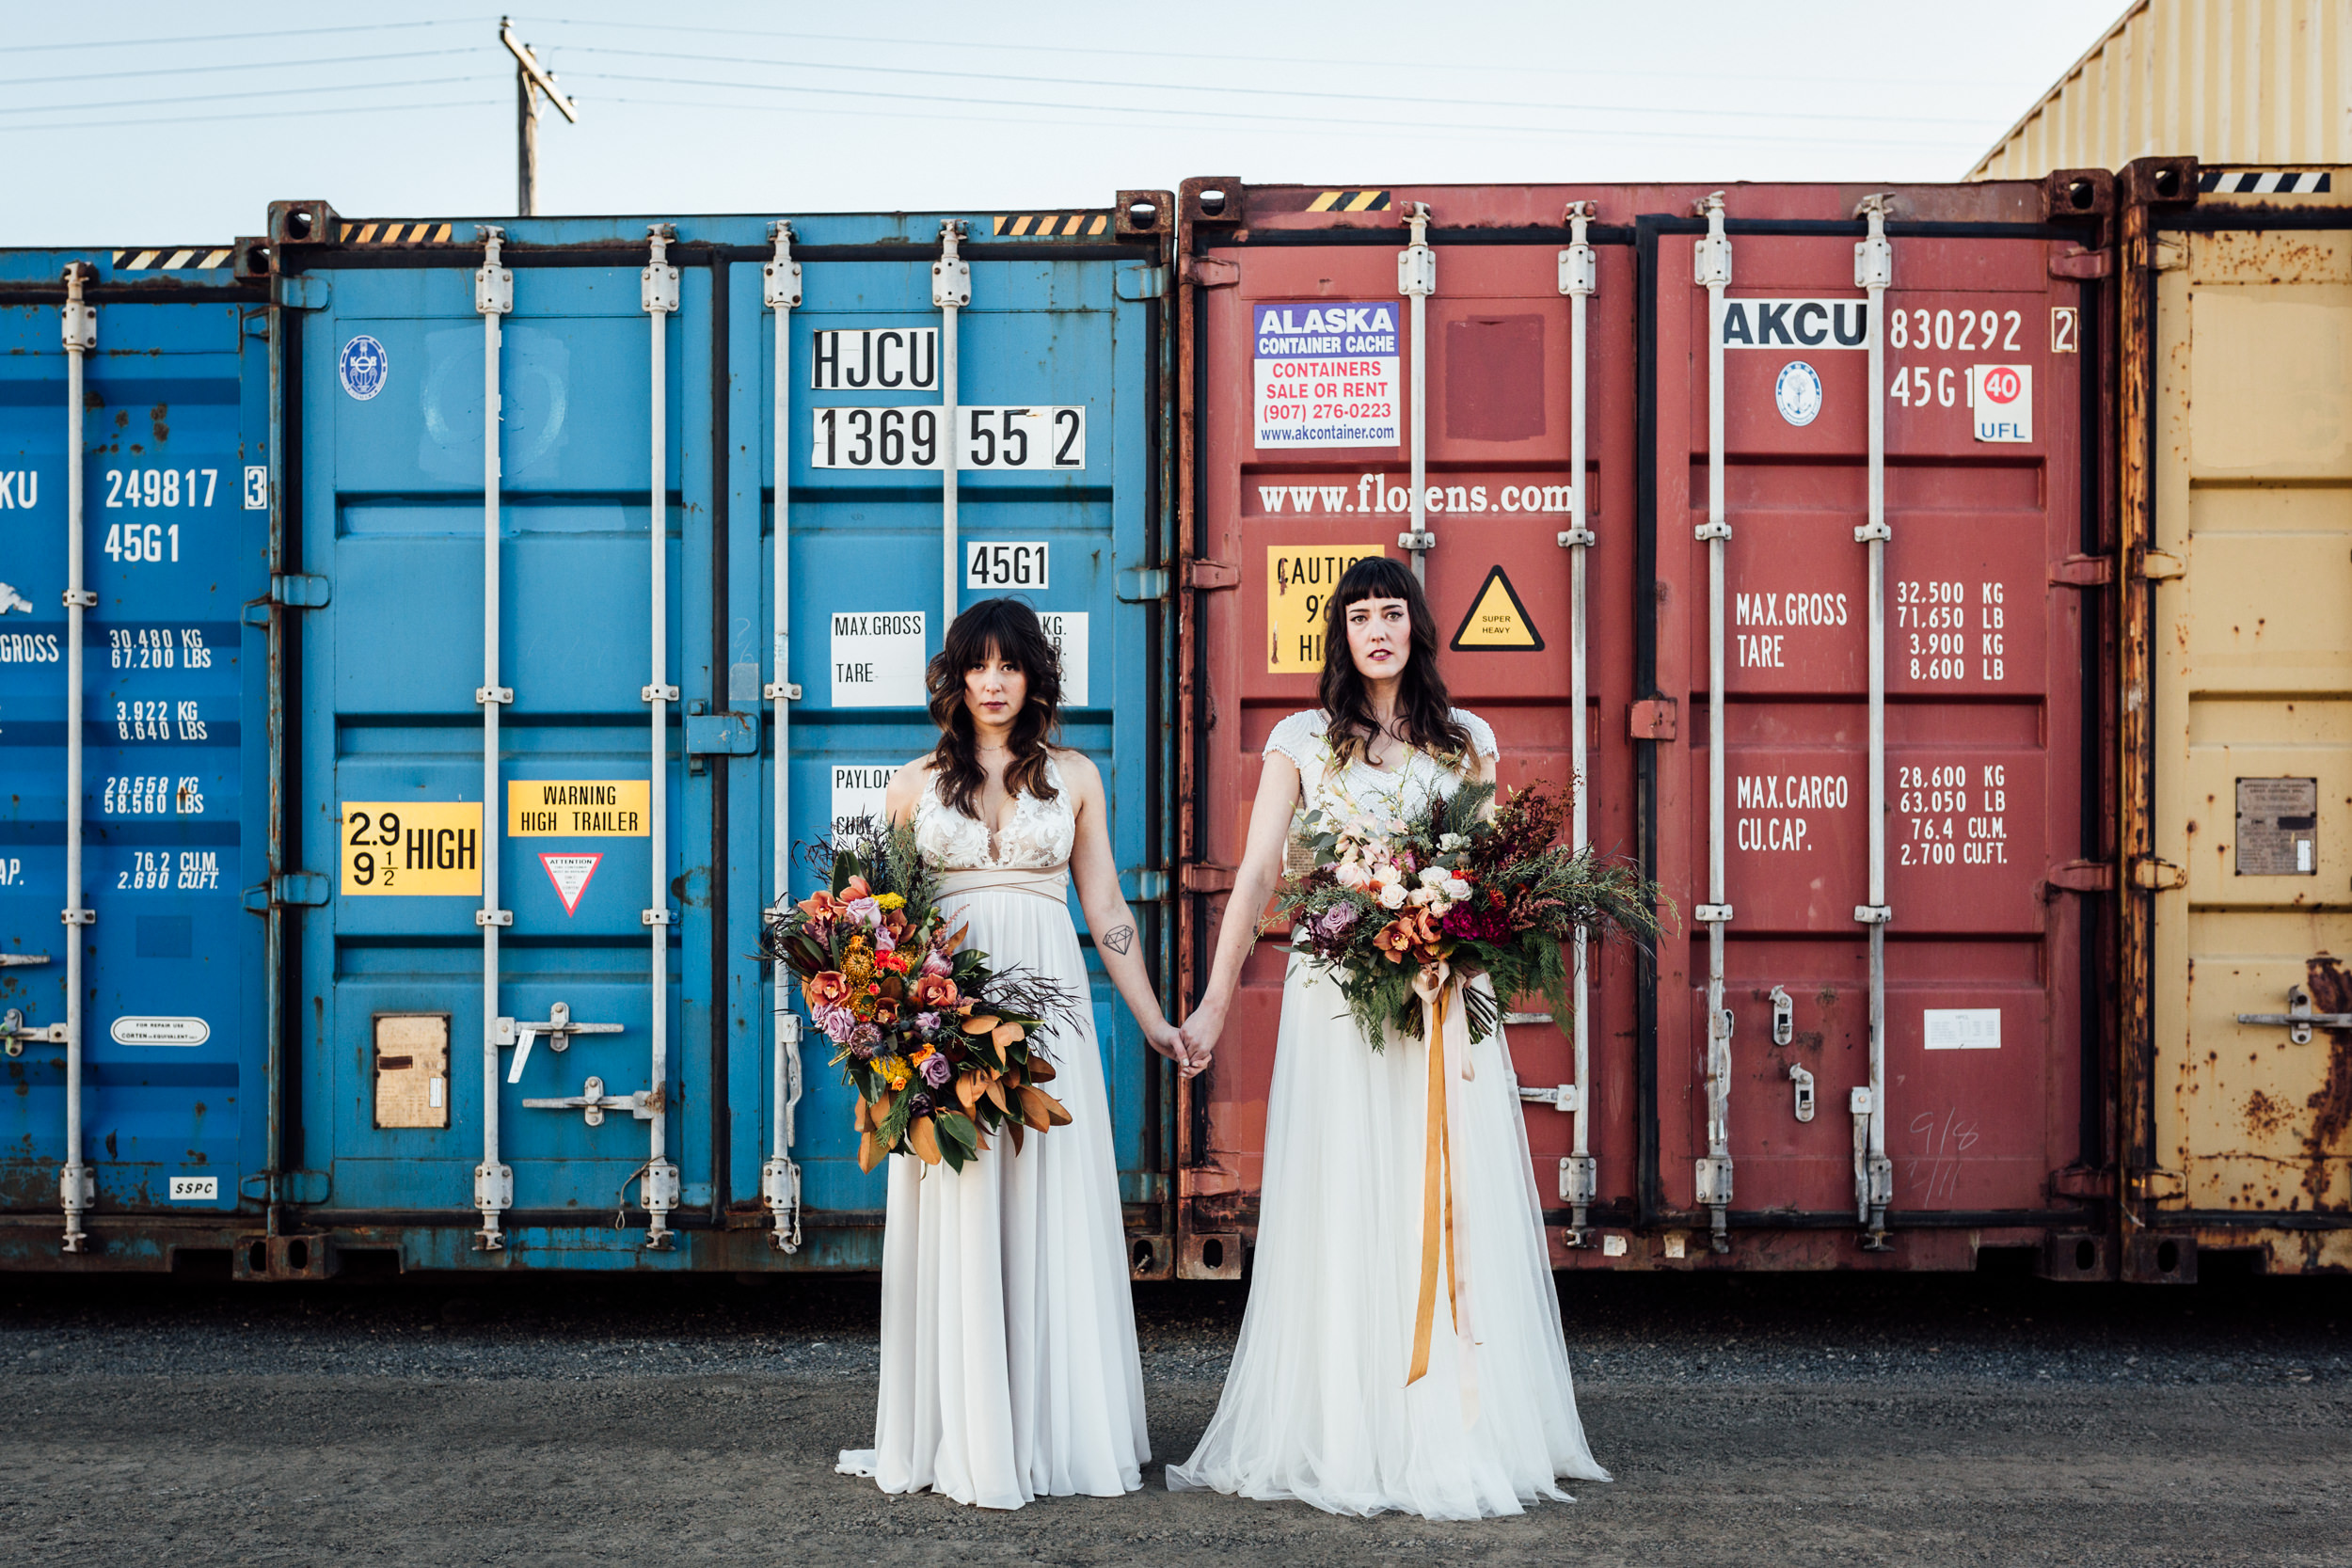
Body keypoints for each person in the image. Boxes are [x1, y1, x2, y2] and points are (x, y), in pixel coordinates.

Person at [1165, 555, 1609, 1519]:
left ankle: (1454, 1424)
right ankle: (1344, 1422)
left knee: (1438, 1203)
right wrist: (1209, 1005)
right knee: (1345, 1195)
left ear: (1415, 627)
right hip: (1339, 1006)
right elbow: (1256, 884)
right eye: (1359, 614)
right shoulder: (1299, 742)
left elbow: (1490, 882)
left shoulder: (1466, 743)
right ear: (1341, 634)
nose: (1376, 629)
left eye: (1391, 612)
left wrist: (1450, 928)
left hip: (1440, 1003)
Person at [836, 597, 1194, 1511]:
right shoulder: (912, 782)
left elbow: (1107, 910)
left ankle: (1051, 1428)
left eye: (1011, 664)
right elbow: (880, 919)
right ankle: (963, 1425)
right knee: (959, 1196)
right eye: (977, 665)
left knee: (1049, 1198)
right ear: (954, 678)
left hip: (1049, 1011)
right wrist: (885, 1022)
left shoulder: (1074, 775)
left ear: (1035, 676)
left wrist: (1156, 1019)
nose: (993, 682)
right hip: (946, 1014)